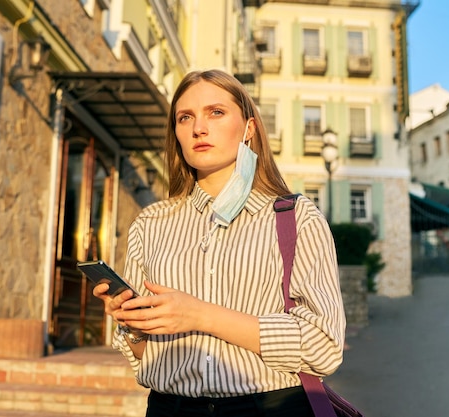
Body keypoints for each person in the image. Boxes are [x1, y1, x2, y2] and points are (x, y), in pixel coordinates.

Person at [93, 69, 346, 416]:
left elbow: (325, 346)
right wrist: (135, 327)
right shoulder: (150, 225)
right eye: (185, 117)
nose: (199, 127)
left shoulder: (296, 217)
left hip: (271, 407)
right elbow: (144, 358)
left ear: (249, 128)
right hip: (171, 409)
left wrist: (201, 315)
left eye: (215, 112)